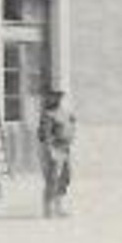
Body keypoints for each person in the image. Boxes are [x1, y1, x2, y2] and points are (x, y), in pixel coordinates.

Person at [37, 90, 75, 218]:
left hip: (65, 148)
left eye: (59, 97)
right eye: (54, 97)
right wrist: (50, 150)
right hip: (53, 148)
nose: (57, 100)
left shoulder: (66, 114)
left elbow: (72, 127)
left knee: (66, 177)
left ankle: (59, 206)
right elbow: (44, 136)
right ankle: (48, 208)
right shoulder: (48, 115)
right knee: (52, 178)